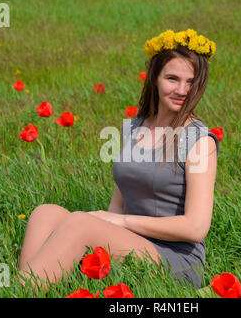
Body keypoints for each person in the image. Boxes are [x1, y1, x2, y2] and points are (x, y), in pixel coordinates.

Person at [18, 29, 219, 293]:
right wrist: (106, 230)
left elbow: (195, 228)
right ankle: (25, 287)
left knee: (79, 223)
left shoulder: (199, 140)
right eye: (172, 78)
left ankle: (27, 289)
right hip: (132, 241)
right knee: (44, 214)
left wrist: (120, 223)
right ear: (155, 79)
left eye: (190, 81)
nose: (182, 90)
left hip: (174, 258)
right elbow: (118, 203)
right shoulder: (136, 128)